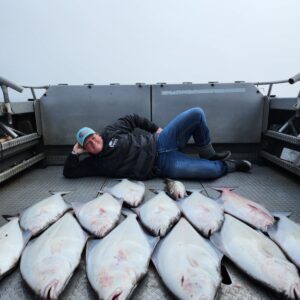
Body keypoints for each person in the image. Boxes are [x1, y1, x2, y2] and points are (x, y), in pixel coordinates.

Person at [63, 107, 252, 180]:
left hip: (161, 140)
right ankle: (230, 165)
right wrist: (74, 153)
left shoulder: (111, 131)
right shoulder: (94, 164)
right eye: (87, 144)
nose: (93, 142)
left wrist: (155, 129)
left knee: (197, 114)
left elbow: (133, 118)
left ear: (97, 133)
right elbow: (70, 173)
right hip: (162, 165)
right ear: (85, 149)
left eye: (92, 137)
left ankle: (208, 153)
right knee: (212, 172)